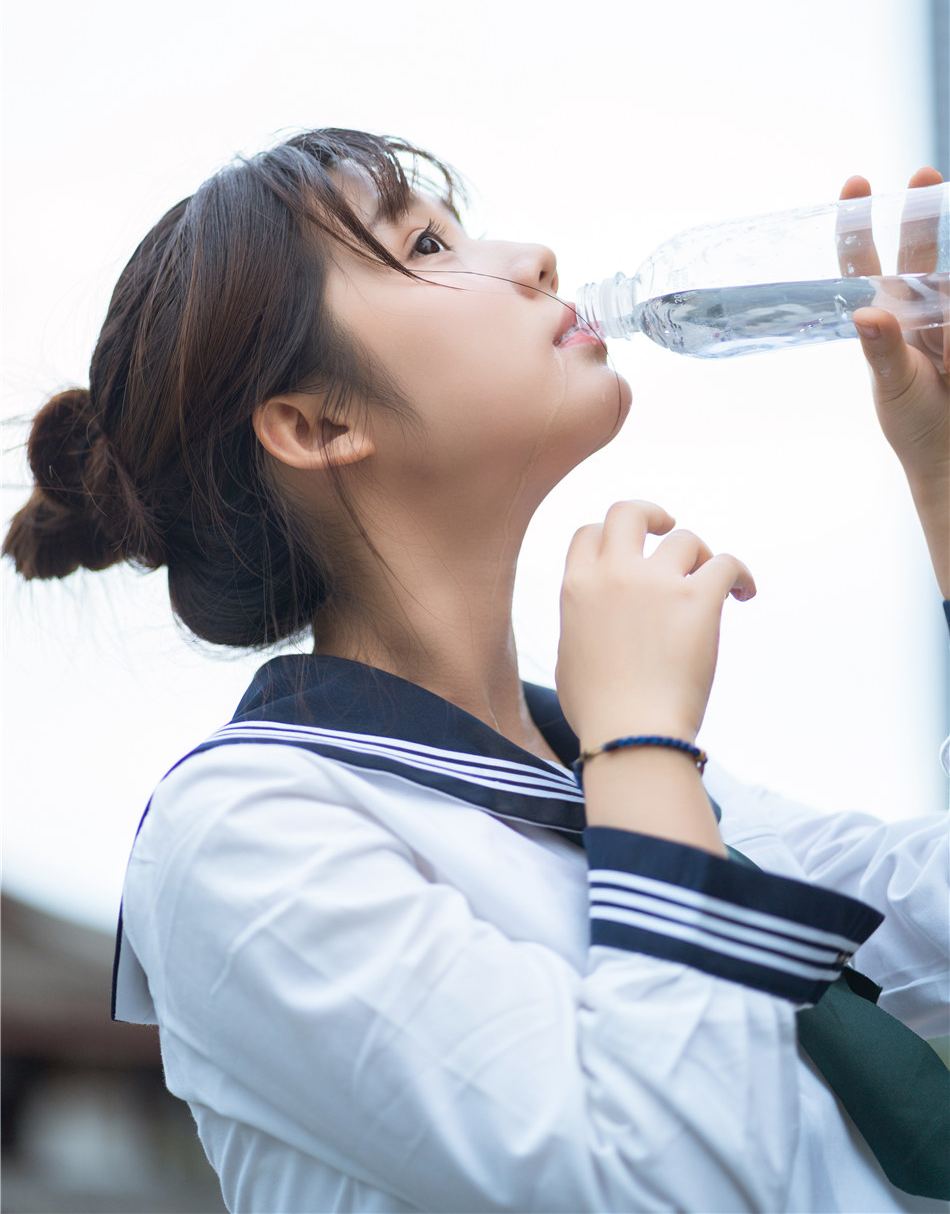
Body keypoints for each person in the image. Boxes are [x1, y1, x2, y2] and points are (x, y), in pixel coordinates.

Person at [4, 130, 948, 1214]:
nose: (534, 258)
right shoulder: (244, 831)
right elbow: (656, 1177)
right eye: (422, 244)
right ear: (316, 424)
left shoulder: (620, 790)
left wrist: (943, 482)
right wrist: (642, 742)